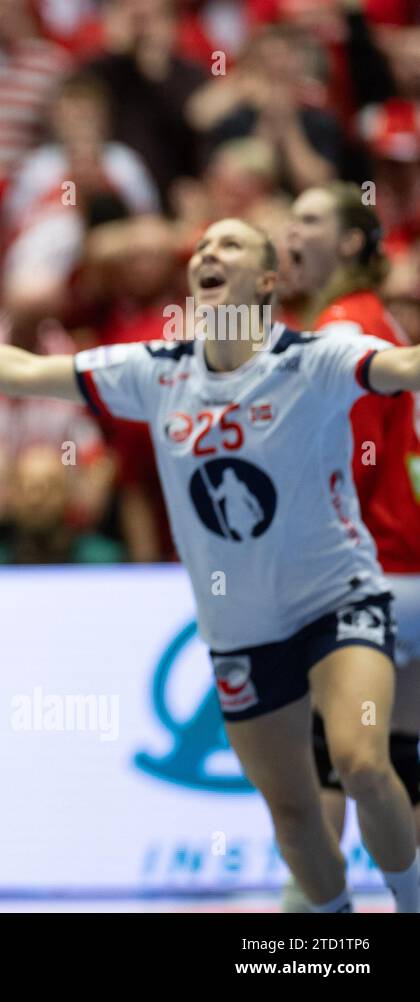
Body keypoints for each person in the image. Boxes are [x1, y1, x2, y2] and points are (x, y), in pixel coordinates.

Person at [0, 216, 420, 912]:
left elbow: (403, 368)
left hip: (337, 598)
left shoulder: (311, 361)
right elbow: (24, 371)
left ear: (269, 280)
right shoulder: (158, 371)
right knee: (292, 813)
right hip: (242, 630)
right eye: (201, 248)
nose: (208, 254)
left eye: (230, 245)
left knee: (362, 763)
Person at [282, 182, 420, 909]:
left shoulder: (339, 330)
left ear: (351, 244)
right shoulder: (379, 322)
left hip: (368, 570)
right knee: (400, 755)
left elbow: (348, 458)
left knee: (326, 759)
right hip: (408, 565)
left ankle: (311, 923)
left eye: (306, 220)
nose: (288, 234)